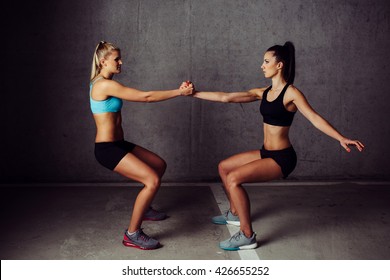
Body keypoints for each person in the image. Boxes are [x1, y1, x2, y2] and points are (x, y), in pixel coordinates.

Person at [185, 41, 364, 251]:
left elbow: (314, 118)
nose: (262, 65)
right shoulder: (264, 92)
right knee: (224, 167)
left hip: (282, 158)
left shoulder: (291, 93)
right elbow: (226, 98)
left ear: (279, 65)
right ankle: (234, 214)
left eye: (266, 61)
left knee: (234, 179)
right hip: (266, 152)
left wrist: (341, 138)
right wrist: (194, 93)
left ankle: (247, 235)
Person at [90, 41, 193, 250]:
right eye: (116, 59)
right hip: (106, 149)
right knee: (152, 180)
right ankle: (132, 234)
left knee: (158, 164)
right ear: (103, 62)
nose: (121, 62)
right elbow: (146, 97)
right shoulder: (103, 84)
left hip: (118, 144)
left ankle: (145, 209)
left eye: (120, 58)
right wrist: (178, 92)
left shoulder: (105, 82)